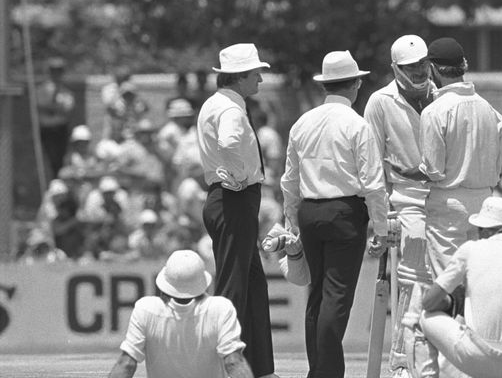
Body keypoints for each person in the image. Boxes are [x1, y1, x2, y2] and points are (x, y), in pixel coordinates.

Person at [281, 50, 388, 378]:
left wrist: (291, 221)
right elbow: (373, 183)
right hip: (345, 212)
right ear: (356, 84)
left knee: (317, 296)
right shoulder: (357, 125)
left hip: (310, 212)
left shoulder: (303, 123)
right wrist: (381, 229)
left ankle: (320, 370)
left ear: (325, 84)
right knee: (337, 297)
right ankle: (326, 374)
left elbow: (290, 180)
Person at [197, 43, 278, 378]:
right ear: (240, 76)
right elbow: (230, 144)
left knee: (252, 286)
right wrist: (242, 177)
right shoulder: (231, 109)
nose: (260, 78)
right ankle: (220, 367)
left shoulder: (217, 104)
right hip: (235, 199)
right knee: (233, 290)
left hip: (230, 199)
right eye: (255, 73)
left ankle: (260, 368)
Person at [396, 37, 502, 276]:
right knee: (476, 278)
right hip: (485, 201)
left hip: (449, 206)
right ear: (463, 65)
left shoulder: (435, 111)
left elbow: (432, 171)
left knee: (448, 280)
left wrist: (403, 171)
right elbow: (497, 167)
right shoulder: (489, 109)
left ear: (433, 69)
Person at [364, 34, 436, 378]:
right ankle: (402, 362)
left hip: (444, 198)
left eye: (422, 63)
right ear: (395, 68)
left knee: (450, 281)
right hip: (404, 199)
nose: (419, 71)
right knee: (409, 284)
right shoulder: (380, 102)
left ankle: (441, 360)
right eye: (411, 66)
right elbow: (372, 162)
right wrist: (381, 215)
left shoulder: (443, 94)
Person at [415, 196, 502, 378]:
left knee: (421, 317)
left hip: (477, 357)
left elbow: (428, 303)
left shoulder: (470, 249)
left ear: (485, 229)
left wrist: (450, 303)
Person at [107, 250, 254, 378]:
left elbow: (126, 364)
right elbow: (234, 362)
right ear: (203, 283)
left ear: (164, 284)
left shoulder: (146, 309)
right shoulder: (221, 308)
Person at [37, 57, 76, 180]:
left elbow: (67, 111)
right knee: (47, 158)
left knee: (60, 158)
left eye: (59, 70)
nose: (56, 73)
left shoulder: (67, 92)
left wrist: (50, 107)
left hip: (60, 129)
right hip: (46, 129)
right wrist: (57, 108)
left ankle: (58, 181)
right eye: (53, 70)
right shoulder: (42, 89)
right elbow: (40, 107)